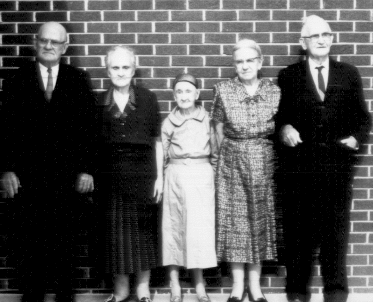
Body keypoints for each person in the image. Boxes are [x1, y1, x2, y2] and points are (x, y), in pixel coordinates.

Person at [0, 22, 97, 302]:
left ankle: (65, 297)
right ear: (35, 42)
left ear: (65, 47)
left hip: (66, 178)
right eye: (44, 40)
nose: (49, 46)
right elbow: (4, 128)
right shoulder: (17, 79)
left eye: (56, 42)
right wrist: (6, 169)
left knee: (65, 244)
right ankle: (33, 296)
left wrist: (87, 169)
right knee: (29, 243)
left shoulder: (78, 79)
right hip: (27, 178)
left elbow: (89, 129)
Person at [276, 15, 372, 302]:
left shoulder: (348, 74)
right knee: (297, 236)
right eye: (315, 35)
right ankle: (296, 291)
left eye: (326, 34)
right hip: (299, 169)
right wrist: (285, 129)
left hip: (336, 168)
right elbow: (279, 118)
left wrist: (355, 138)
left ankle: (335, 292)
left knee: (334, 235)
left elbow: (362, 118)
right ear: (302, 42)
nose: (321, 39)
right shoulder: (288, 76)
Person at [211, 39, 280, 302]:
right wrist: (218, 164)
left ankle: (256, 287)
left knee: (259, 222)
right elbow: (216, 128)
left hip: (263, 162)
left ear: (259, 63)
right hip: (232, 164)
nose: (244, 65)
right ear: (234, 65)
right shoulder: (223, 90)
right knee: (236, 224)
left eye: (250, 60)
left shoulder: (274, 92)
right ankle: (237, 287)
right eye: (239, 61)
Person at [96, 45, 163, 302]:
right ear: (107, 70)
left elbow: (157, 140)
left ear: (134, 70)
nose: (121, 72)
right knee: (115, 234)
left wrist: (160, 177)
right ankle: (121, 289)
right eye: (115, 67)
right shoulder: (99, 101)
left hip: (143, 174)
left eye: (126, 67)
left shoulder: (148, 99)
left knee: (143, 232)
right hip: (110, 176)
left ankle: (143, 288)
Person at [161, 74, 217, 302]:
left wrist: (211, 175)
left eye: (188, 91)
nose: (184, 96)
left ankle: (199, 284)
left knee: (199, 231)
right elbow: (162, 155)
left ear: (196, 94)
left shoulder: (208, 120)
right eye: (179, 92)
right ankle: (174, 284)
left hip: (201, 176)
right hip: (174, 176)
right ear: (174, 96)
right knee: (173, 229)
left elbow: (215, 152)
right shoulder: (168, 122)